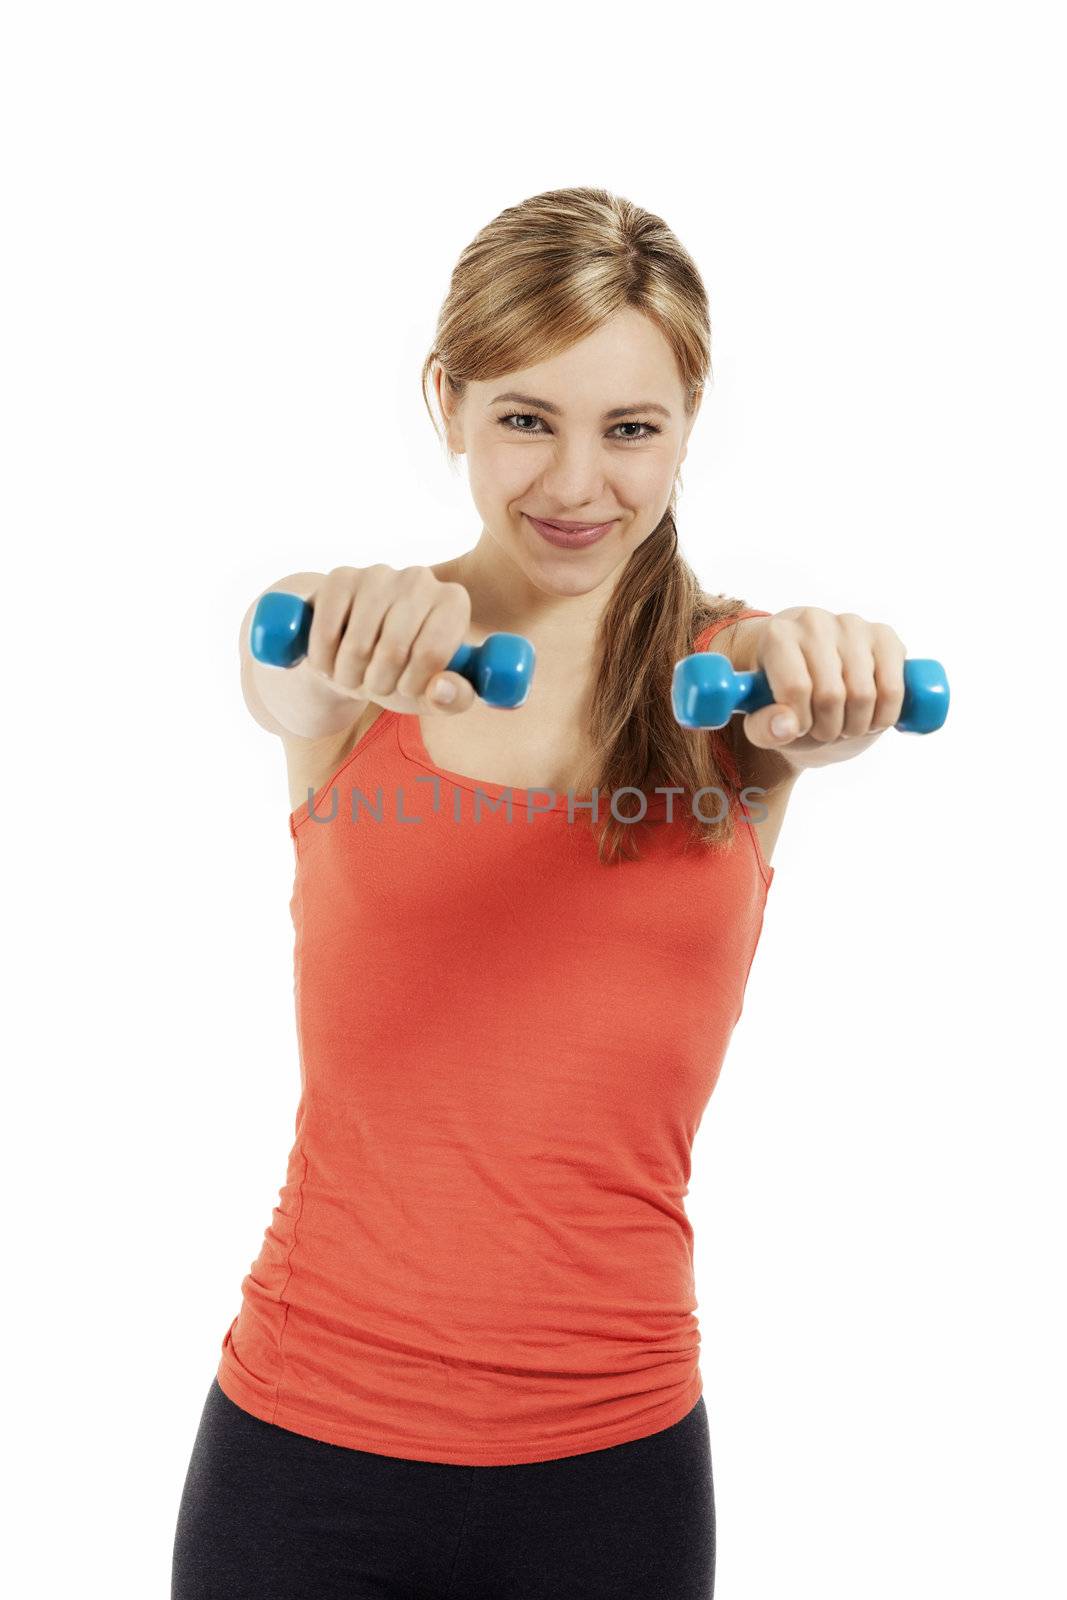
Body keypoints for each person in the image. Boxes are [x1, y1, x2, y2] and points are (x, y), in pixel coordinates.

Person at [172, 186, 909, 1600]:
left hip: (614, 1472)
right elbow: (287, 673)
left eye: (631, 429)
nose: (578, 485)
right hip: (304, 1450)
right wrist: (344, 643)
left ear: (691, 421)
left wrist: (843, 683)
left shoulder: (740, 683)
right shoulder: (347, 651)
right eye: (526, 418)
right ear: (448, 401)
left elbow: (824, 718)